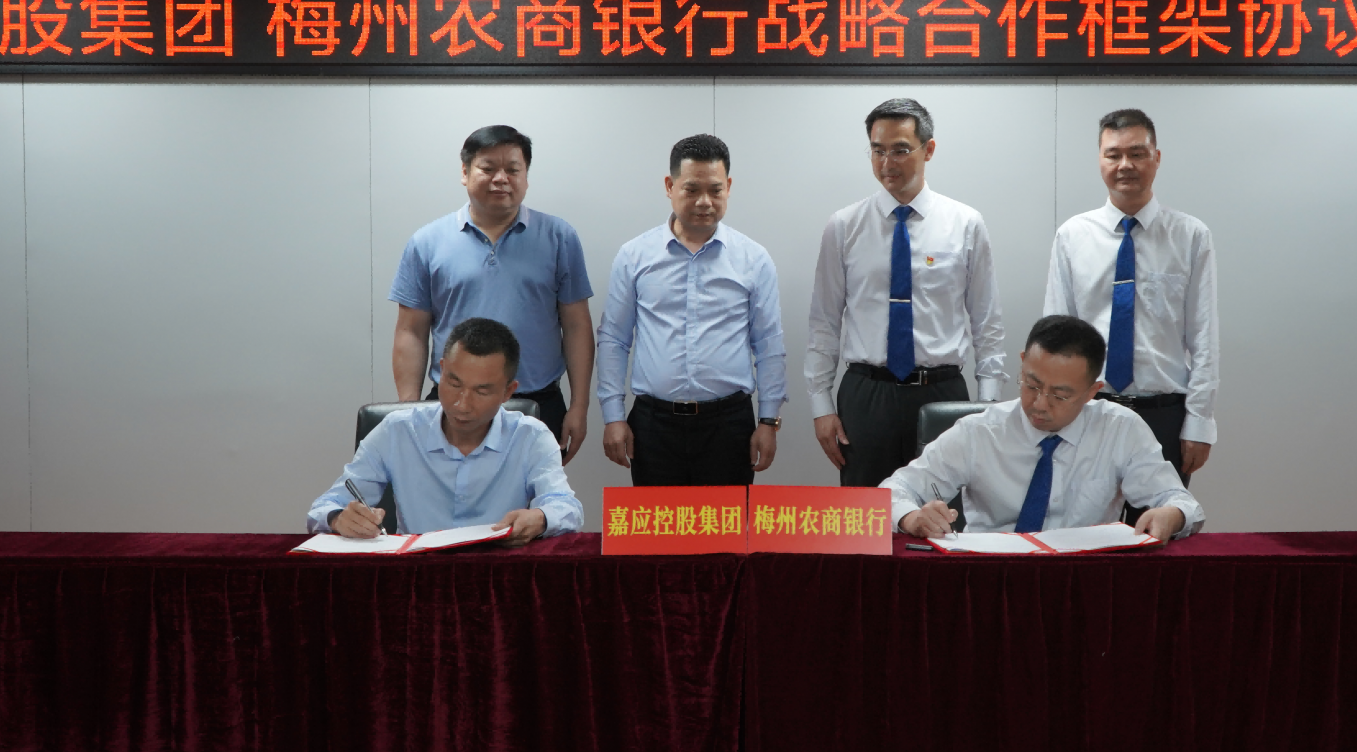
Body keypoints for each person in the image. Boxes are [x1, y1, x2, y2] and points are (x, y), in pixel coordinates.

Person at [806, 97, 1006, 488]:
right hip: (867, 395)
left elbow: (987, 321)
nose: (887, 163)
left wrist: (986, 404)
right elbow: (824, 322)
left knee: (941, 511)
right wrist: (821, 405)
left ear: (928, 150)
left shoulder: (965, 223)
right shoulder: (844, 226)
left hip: (942, 393)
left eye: (900, 150)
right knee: (867, 515)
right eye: (877, 151)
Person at [886, 315, 1202, 543]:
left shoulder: (1120, 429)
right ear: (1023, 362)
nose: (1040, 403)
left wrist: (1172, 515)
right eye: (1031, 384)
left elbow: (1180, 501)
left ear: (1092, 392)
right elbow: (892, 491)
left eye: (1060, 395)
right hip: (991, 574)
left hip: (1081, 577)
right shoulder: (979, 432)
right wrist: (911, 518)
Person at [390, 124, 595, 461]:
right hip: (454, 404)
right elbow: (411, 331)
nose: (501, 179)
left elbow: (576, 326)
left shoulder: (559, 237)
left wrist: (579, 406)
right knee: (447, 491)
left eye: (513, 169)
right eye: (488, 168)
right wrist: (409, 408)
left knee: (534, 495)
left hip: (537, 403)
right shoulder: (427, 242)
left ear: (526, 177)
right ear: (465, 172)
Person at [597, 134, 787, 486]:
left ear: (729, 187)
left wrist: (768, 421)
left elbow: (769, 344)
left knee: (727, 522)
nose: (704, 202)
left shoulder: (753, 259)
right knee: (658, 521)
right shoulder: (635, 256)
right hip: (653, 425)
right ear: (670, 186)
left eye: (715, 190)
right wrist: (613, 415)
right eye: (691, 189)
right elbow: (614, 340)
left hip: (729, 425)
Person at [1044, 108, 1218, 488]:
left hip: (1164, 415)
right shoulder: (1072, 236)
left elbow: (1204, 338)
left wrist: (1199, 421)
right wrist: (1055, 411)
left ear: (1157, 158)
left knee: (1159, 523)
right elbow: (1056, 338)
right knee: (1087, 524)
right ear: (1100, 160)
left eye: (1137, 153)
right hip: (1090, 412)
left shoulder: (1190, 236)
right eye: (1114, 155)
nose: (1125, 165)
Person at [310, 318, 582, 544]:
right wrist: (339, 518)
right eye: (453, 383)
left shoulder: (531, 437)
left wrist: (541, 518)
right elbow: (325, 506)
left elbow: (567, 507)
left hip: (497, 573)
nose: (462, 404)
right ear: (441, 371)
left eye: (481, 391)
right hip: (415, 574)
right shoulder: (397, 431)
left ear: (508, 392)